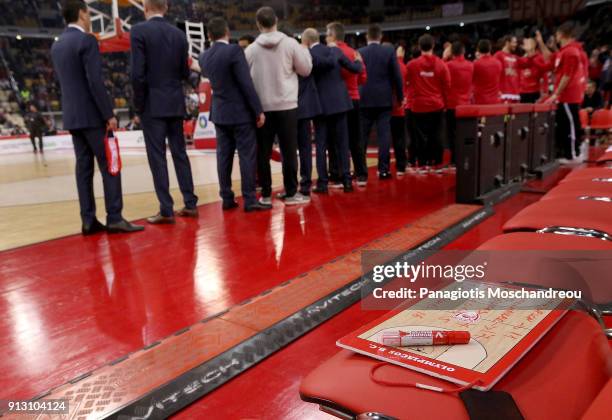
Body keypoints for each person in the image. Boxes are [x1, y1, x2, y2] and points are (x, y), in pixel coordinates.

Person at [51, 0, 143, 235]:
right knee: (110, 165)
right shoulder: (87, 40)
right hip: (93, 116)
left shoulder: (57, 45)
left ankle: (88, 220)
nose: (90, 16)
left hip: (72, 116)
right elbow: (95, 81)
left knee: (83, 169)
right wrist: (108, 113)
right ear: (82, 13)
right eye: (88, 12)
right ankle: (114, 217)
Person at [130, 0, 199, 224]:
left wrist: (139, 105)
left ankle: (166, 209)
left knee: (157, 157)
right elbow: (183, 71)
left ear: (145, 8)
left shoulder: (139, 31)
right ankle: (190, 203)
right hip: (175, 102)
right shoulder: (179, 35)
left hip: (152, 104)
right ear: (166, 8)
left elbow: (137, 74)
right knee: (180, 154)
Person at [199, 18, 271, 213]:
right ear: (227, 32)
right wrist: (258, 110)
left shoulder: (204, 57)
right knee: (247, 156)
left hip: (220, 113)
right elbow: (246, 84)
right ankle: (249, 200)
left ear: (209, 36)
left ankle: (227, 198)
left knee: (224, 157)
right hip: (240, 114)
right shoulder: (234, 51)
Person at [245, 7, 313, 206]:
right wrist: (305, 52)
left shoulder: (250, 50)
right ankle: (291, 193)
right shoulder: (291, 44)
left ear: (258, 24)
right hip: (287, 105)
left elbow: (246, 80)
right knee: (289, 150)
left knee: (263, 153)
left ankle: (265, 195)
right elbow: (306, 70)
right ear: (276, 20)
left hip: (262, 107)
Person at [304, 27, 362, 193]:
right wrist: (358, 60)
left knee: (321, 146)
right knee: (343, 143)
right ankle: (347, 181)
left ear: (307, 41)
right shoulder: (334, 51)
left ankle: (322, 183)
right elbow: (356, 69)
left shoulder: (309, 55)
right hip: (340, 103)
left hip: (320, 106)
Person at [536, 22, 589, 162]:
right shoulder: (564, 52)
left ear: (562, 34)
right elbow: (550, 58)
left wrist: (556, 94)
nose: (556, 36)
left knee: (571, 124)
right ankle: (569, 152)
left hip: (569, 95)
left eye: (557, 33)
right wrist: (541, 43)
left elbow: (567, 75)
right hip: (565, 95)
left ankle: (573, 154)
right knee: (566, 124)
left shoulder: (571, 52)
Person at [358, 24, 404, 181]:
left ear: (366, 36)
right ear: (381, 36)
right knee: (384, 135)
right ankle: (383, 170)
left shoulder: (360, 52)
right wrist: (400, 97)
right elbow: (397, 76)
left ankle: (360, 172)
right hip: (384, 99)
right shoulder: (388, 51)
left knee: (362, 136)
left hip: (364, 98)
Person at [326, 21, 368, 186]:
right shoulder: (354, 53)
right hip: (353, 98)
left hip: (334, 102)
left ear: (333, 35)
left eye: (327, 34)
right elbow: (363, 78)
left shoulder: (329, 53)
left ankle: (336, 174)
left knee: (335, 140)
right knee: (356, 138)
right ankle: (361, 174)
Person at [406, 34, 450, 172]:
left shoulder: (412, 65)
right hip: (437, 104)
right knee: (436, 134)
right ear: (433, 46)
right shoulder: (441, 64)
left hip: (418, 106)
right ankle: (436, 161)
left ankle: (422, 161)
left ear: (419, 47)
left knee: (419, 136)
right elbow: (447, 85)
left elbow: (406, 82)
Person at [296, 35, 323, 197]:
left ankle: (292, 186)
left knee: (290, 149)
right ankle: (304, 184)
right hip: (302, 106)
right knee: (304, 147)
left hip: (287, 106)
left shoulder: (283, 55)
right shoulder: (304, 53)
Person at [445, 41, 473, 166]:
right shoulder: (471, 65)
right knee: (465, 132)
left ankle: (454, 159)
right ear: (463, 51)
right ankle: (466, 156)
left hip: (452, 104)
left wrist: (445, 57)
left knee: (452, 134)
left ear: (452, 52)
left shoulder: (448, 65)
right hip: (466, 104)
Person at [390, 45, 407, 175]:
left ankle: (383, 167)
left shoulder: (388, 66)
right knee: (399, 138)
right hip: (399, 107)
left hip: (386, 106)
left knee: (385, 138)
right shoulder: (403, 66)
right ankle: (401, 165)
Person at [473, 39, 502, 105]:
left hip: (479, 101)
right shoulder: (498, 63)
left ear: (478, 49)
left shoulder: (476, 64)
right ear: (490, 48)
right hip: (495, 101)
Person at [519, 37, 547, 103]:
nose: (526, 44)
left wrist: (545, 92)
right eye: (525, 43)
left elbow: (544, 76)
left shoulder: (540, 58)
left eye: (528, 43)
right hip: (522, 92)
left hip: (535, 92)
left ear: (534, 45)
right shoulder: (522, 59)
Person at [495, 35, 521, 102]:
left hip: (515, 94)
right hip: (503, 93)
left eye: (516, 43)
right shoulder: (498, 55)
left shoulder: (516, 57)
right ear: (507, 43)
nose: (516, 45)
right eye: (514, 42)